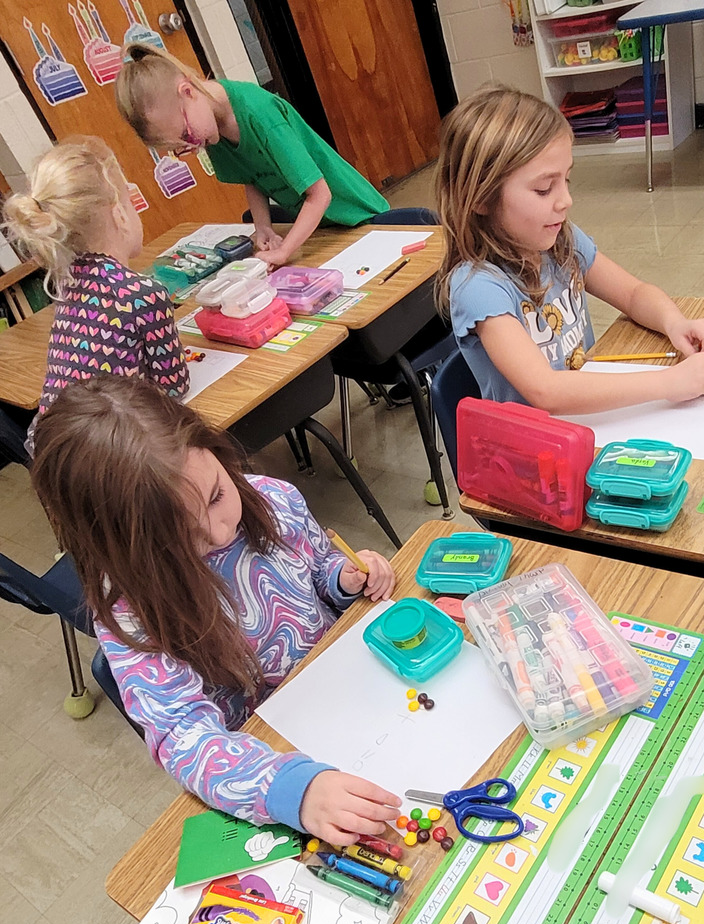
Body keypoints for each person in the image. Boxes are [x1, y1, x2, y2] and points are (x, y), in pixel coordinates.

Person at [31, 376, 399, 844]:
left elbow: (318, 566)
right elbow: (182, 735)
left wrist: (344, 579)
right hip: (274, 751)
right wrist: (290, 790)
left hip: (354, 689)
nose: (220, 531)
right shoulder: (131, 608)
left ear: (215, 450)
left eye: (216, 497)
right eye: (178, 534)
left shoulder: (271, 498)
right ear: (119, 544)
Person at [435, 85, 704, 414]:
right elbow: (546, 390)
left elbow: (633, 293)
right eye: (544, 189)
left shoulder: (560, 239)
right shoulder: (479, 286)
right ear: (480, 198)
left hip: (586, 417)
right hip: (538, 437)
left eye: (567, 181)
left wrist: (674, 323)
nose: (565, 200)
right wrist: (670, 383)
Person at [114, 44, 389, 267]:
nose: (193, 147)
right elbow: (252, 176)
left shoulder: (260, 115)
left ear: (188, 92)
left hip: (363, 219)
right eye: (181, 146)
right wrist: (263, 226)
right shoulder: (211, 130)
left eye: (186, 135)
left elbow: (320, 195)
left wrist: (284, 252)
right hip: (323, 229)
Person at [3, 136, 189, 455]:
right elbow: (173, 388)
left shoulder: (69, 285)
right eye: (131, 201)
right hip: (113, 452)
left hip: (57, 450)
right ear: (119, 214)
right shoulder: (143, 294)